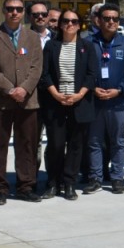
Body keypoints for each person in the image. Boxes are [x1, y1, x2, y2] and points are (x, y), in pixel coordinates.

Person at [0, 0, 44, 204]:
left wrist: (24, 89)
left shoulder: (33, 37)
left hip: (27, 100)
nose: (14, 12)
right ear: (3, 11)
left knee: (26, 144)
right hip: (0, 100)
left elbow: (37, 68)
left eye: (18, 9)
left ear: (23, 12)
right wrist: (10, 89)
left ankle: (26, 186)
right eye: (10, 9)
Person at [40, 10, 99, 200]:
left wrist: (79, 94)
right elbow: (45, 73)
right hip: (56, 102)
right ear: (60, 24)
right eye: (66, 21)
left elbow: (92, 75)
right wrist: (56, 94)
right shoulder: (51, 45)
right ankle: (52, 183)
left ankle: (69, 183)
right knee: (56, 144)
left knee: (75, 146)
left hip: (79, 102)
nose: (70, 24)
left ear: (80, 24)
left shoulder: (87, 46)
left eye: (74, 21)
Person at [87, 2, 124, 194]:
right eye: (106, 18)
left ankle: (117, 178)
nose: (111, 22)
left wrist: (119, 90)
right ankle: (96, 178)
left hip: (118, 102)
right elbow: (83, 70)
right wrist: (92, 89)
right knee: (94, 142)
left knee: (118, 141)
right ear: (98, 20)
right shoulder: (89, 43)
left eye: (115, 19)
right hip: (95, 101)